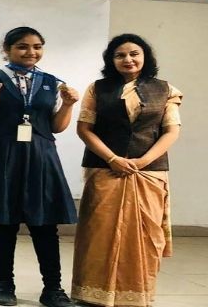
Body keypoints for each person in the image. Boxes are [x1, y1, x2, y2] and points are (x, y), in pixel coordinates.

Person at [0, 27, 79, 307]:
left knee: (45, 224)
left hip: (39, 157)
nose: (31, 52)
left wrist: (68, 105)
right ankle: (4, 285)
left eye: (37, 46)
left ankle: (53, 289)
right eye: (22, 46)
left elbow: (56, 127)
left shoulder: (52, 82)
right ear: (7, 49)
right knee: (3, 222)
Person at [71, 34, 182, 307]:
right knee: (99, 234)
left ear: (145, 57)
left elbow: (171, 131)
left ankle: (137, 295)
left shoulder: (165, 89)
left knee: (145, 236)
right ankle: (92, 294)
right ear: (111, 60)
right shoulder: (97, 89)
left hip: (149, 173)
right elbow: (84, 129)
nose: (128, 59)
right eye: (120, 55)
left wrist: (142, 161)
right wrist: (112, 158)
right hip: (105, 171)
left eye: (134, 53)